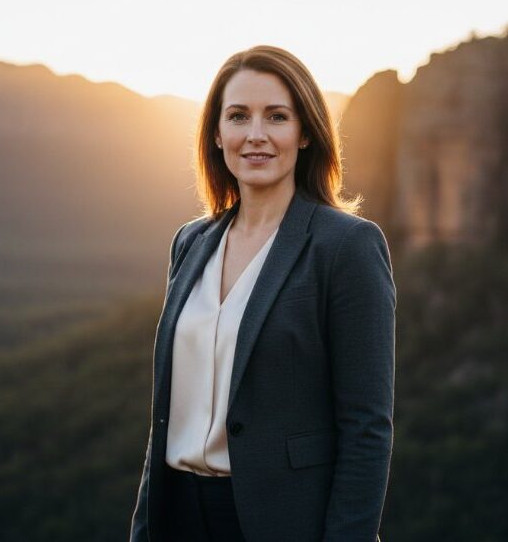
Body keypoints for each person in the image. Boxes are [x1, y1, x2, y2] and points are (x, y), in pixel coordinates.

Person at [129, 44, 395, 542]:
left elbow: (367, 427)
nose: (255, 135)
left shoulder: (347, 247)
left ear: (306, 133)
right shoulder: (191, 242)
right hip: (178, 517)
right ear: (216, 133)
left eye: (276, 116)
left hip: (283, 521)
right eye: (238, 116)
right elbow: (166, 414)